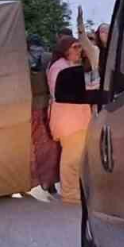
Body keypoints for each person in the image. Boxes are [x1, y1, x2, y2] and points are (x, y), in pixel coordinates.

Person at [47, 33, 91, 205]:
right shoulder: (60, 68)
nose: (79, 50)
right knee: (71, 159)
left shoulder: (67, 65)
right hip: (69, 120)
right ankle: (70, 193)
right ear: (65, 50)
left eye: (80, 47)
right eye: (75, 47)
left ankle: (74, 191)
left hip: (75, 119)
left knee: (76, 157)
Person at [27, 35, 60, 196]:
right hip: (47, 106)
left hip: (32, 107)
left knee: (34, 146)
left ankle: (32, 181)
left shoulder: (21, 59)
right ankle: (50, 181)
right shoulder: (49, 58)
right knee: (50, 146)